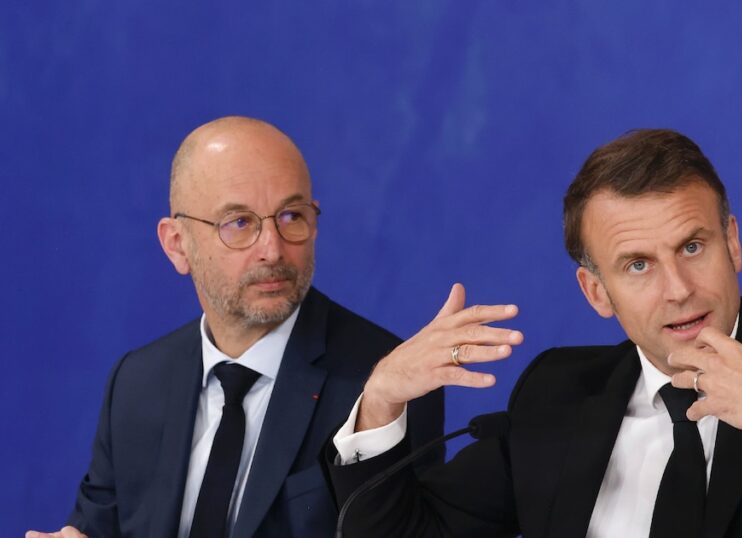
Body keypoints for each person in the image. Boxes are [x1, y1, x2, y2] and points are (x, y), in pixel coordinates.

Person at [324, 129, 742, 536]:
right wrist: (381, 399)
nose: (677, 288)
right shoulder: (559, 395)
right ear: (596, 292)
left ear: (732, 241)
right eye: (637, 265)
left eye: (694, 246)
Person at [26, 116, 445, 538]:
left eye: (291, 215)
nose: (272, 249)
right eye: (240, 223)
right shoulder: (135, 384)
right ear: (177, 244)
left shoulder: (383, 386)